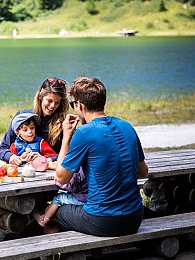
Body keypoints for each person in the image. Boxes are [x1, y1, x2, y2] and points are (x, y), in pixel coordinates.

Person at [51, 77, 149, 237]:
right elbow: (143, 172)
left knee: (59, 212)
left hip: (102, 221)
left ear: (79, 105)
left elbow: (61, 178)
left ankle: (63, 257)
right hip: (135, 218)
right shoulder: (127, 126)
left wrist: (66, 137)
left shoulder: (84, 133)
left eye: (73, 105)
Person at [0, 77, 69, 166]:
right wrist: (11, 157)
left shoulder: (64, 123)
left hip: (50, 172)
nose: (52, 106)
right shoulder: (22, 117)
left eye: (57, 102)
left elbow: (69, 155)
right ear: (40, 96)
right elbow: (3, 149)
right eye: (49, 101)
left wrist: (45, 159)